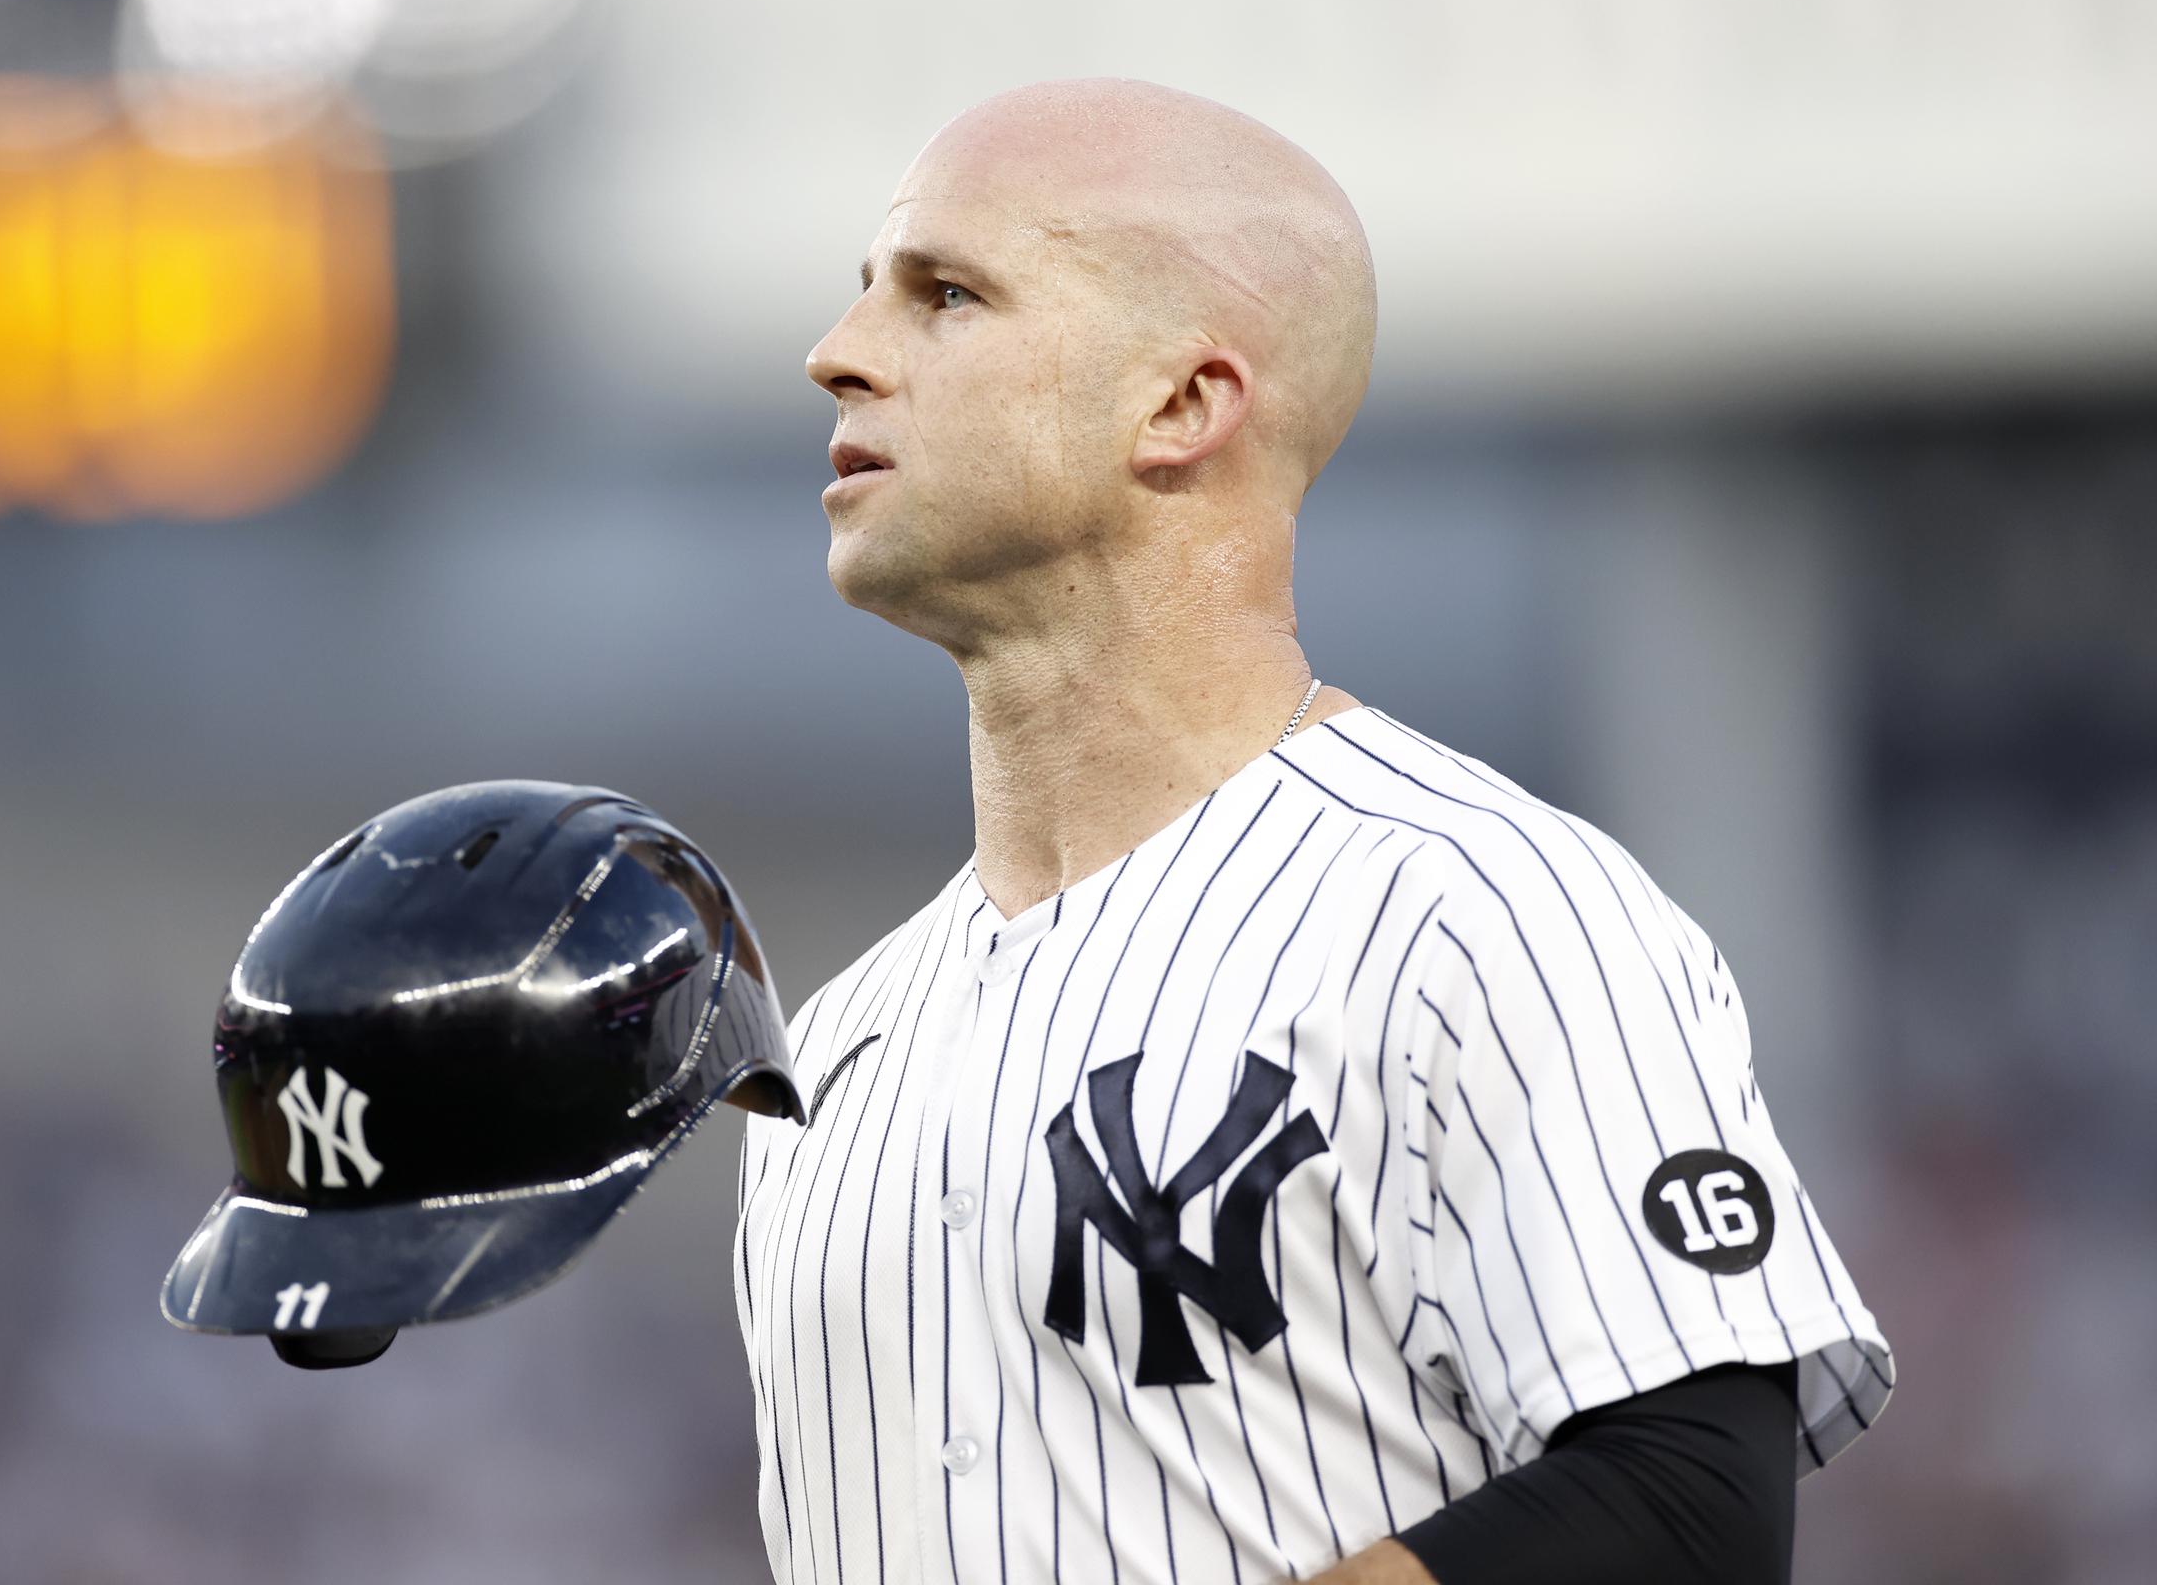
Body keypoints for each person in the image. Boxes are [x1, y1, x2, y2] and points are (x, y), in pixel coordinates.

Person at [735, 77, 1891, 1585]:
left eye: (947, 294)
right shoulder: (834, 1050)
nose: (837, 355)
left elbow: (1688, 1508)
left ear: (1184, 404)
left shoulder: (1477, 907)